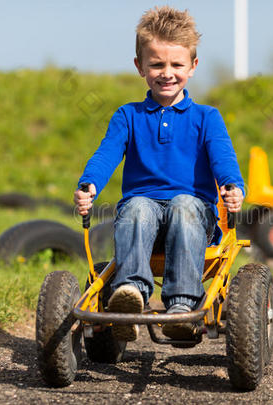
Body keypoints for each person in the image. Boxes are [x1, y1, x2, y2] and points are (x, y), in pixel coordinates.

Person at [74, 6, 244, 342]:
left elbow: (223, 157)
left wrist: (232, 186)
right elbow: (107, 153)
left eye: (176, 65)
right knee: (136, 205)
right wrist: (89, 183)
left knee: (183, 203)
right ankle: (131, 295)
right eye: (157, 64)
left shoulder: (207, 117)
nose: (167, 73)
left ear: (193, 67)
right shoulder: (128, 116)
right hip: (143, 217)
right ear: (140, 67)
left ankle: (182, 304)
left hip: (193, 215)